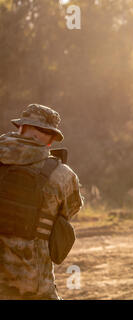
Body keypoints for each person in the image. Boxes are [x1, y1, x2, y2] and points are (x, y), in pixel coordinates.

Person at [0, 104, 83, 300]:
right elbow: (70, 211)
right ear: (51, 138)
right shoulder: (62, 175)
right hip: (33, 289)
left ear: (21, 127)